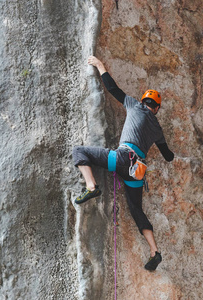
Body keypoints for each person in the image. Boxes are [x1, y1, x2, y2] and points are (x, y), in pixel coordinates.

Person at [72, 56, 174, 271]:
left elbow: (112, 88)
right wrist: (163, 145)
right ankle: (155, 251)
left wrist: (100, 66)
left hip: (121, 159)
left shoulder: (134, 105)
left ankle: (91, 187)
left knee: (79, 151)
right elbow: (168, 156)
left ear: (144, 101)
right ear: (157, 108)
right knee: (137, 209)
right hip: (137, 172)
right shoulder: (157, 128)